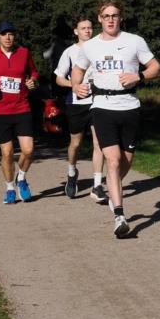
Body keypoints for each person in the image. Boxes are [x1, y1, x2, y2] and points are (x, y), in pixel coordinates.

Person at [70, 0, 160, 238]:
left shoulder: (134, 41)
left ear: (121, 18)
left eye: (115, 15)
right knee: (111, 161)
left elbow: (155, 67)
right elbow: (77, 71)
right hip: (102, 106)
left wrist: (138, 76)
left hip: (130, 106)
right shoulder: (89, 46)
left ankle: (113, 188)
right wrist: (76, 86)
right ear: (99, 19)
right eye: (106, 15)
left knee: (125, 162)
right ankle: (120, 215)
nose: (111, 19)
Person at [0, 21, 39, 204]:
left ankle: (22, 178)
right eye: (4, 34)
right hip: (0, 111)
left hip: (22, 108)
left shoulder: (24, 53)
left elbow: (34, 73)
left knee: (28, 150)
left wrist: (31, 81)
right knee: (7, 152)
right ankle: (10, 188)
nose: (8, 37)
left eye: (11, 33)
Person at [54, 14, 106, 201]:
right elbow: (59, 79)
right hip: (76, 103)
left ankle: (98, 185)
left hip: (98, 101)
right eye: (83, 28)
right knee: (75, 144)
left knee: (99, 143)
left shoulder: (100, 49)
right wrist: (74, 86)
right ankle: (71, 172)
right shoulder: (69, 52)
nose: (87, 31)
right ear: (76, 31)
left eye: (90, 27)